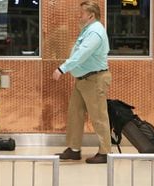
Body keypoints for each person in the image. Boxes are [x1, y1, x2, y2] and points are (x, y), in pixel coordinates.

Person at [52, 1, 112, 164]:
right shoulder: (87, 30)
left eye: (82, 13)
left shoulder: (95, 32)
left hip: (94, 79)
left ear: (91, 15)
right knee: (75, 114)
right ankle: (74, 149)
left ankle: (105, 152)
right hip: (83, 80)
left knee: (98, 116)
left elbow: (82, 54)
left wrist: (62, 69)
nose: (79, 15)